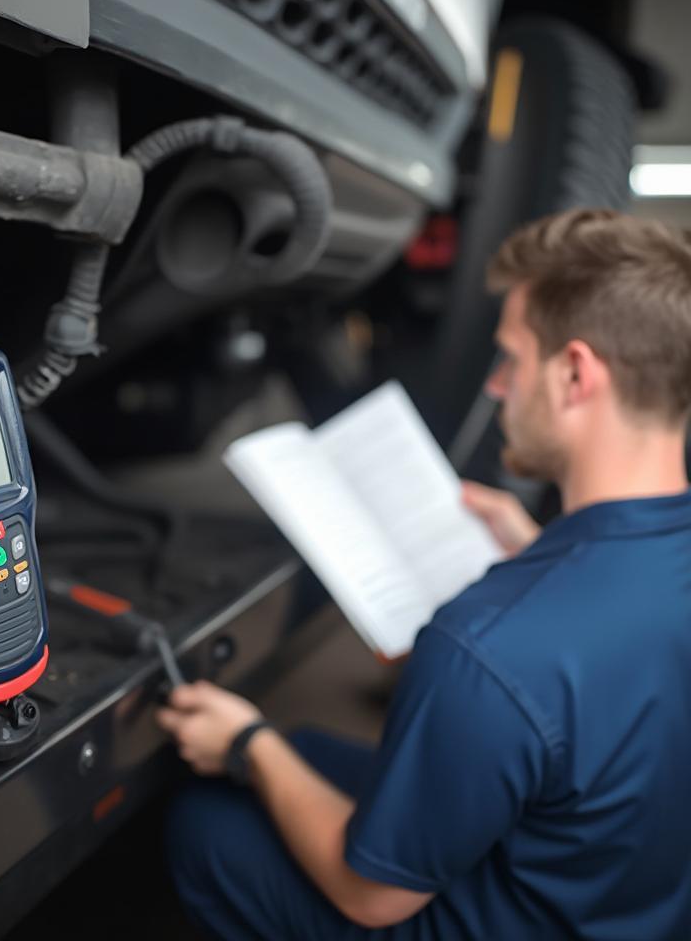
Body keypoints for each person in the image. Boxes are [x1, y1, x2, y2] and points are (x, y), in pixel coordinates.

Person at [157, 208, 691, 940]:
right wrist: (538, 550)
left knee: (209, 820)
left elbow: (369, 897)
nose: (498, 388)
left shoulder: (488, 645)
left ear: (574, 374)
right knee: (310, 749)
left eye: (511, 360)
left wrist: (249, 744)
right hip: (634, 897)